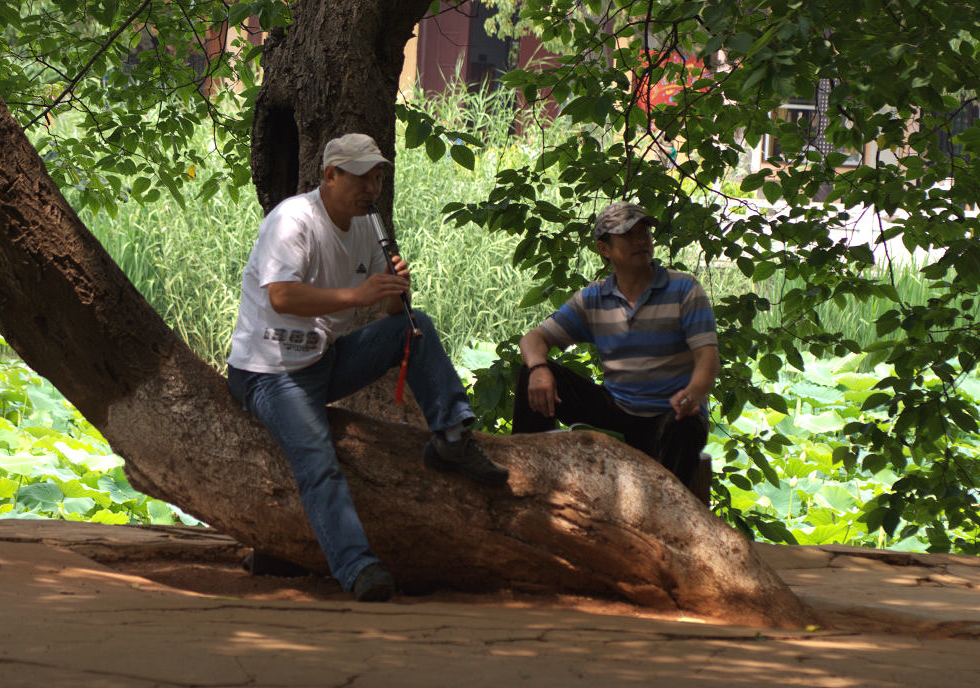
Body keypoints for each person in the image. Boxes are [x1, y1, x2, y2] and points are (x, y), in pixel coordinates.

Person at [226, 133, 509, 602]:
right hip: (269, 371)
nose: (371, 188)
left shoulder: (366, 226)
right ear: (330, 175)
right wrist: (356, 295)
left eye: (377, 177)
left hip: (321, 359)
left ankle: (453, 436)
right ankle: (359, 568)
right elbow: (282, 296)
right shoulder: (293, 221)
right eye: (360, 176)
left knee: (415, 329)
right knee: (318, 462)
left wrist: (398, 291)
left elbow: (392, 317)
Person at [512, 201, 719, 494]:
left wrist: (694, 393)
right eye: (628, 235)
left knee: (685, 426)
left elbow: (708, 360)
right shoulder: (593, 298)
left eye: (644, 233)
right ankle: (528, 477)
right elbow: (533, 339)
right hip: (618, 412)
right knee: (529, 373)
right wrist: (539, 368)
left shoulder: (684, 290)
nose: (640, 241)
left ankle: (666, 516)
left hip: (671, 417)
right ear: (604, 249)